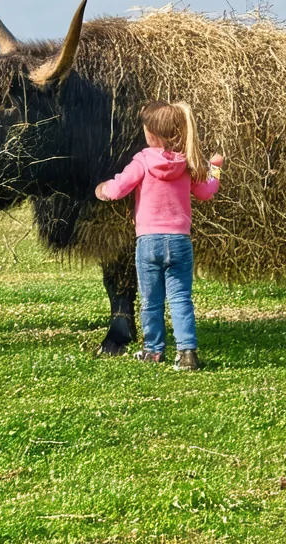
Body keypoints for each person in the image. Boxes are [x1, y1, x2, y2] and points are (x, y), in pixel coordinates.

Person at [94, 101, 222, 371]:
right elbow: (206, 192)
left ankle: (153, 351)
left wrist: (103, 189)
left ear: (150, 133)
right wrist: (216, 167)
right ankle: (187, 353)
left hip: (148, 242)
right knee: (180, 298)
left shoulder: (142, 160)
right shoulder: (188, 162)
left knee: (151, 300)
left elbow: (119, 189)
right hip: (179, 242)